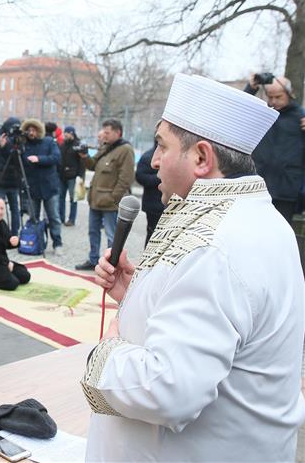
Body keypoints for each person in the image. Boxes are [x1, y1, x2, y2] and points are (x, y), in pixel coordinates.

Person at [82, 73, 304, 461]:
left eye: (161, 146)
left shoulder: (217, 246)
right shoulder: (255, 219)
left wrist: (105, 351)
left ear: (201, 158)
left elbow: (168, 390)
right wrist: (138, 294)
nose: (152, 162)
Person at [75, 119, 135, 270]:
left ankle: (111, 264)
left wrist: (114, 198)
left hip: (110, 202)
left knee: (112, 236)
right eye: (104, 132)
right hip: (95, 200)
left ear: (118, 132)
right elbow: (93, 165)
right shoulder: (106, 147)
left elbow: (126, 178)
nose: (104, 135)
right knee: (93, 232)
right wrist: (84, 156)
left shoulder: (125, 149)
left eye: (107, 133)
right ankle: (93, 259)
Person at [244, 74, 305, 223]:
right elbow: (240, 110)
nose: (273, 101)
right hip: (258, 188)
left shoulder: (301, 118)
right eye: (270, 97)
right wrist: (250, 88)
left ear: (289, 94)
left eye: (278, 97)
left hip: (286, 191)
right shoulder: (263, 114)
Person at [20, 118, 63, 256]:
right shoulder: (24, 144)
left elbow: (56, 158)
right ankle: (34, 242)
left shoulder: (49, 142)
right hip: (32, 187)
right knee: (33, 217)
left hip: (50, 187)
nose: (31, 132)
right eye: (29, 130)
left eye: (34, 130)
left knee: (54, 217)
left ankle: (57, 243)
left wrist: (39, 159)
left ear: (39, 131)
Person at [135, 136, 164, 245]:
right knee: (152, 235)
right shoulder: (148, 156)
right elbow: (140, 176)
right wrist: (159, 178)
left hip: (167, 205)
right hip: (153, 206)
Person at [58, 126, 84, 226]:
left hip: (73, 176)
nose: (65, 135)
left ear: (72, 133)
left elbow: (82, 162)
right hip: (62, 175)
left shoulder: (78, 145)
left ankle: (72, 219)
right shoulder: (63, 144)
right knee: (61, 197)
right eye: (65, 133)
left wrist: (80, 176)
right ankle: (61, 218)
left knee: (73, 199)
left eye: (67, 133)